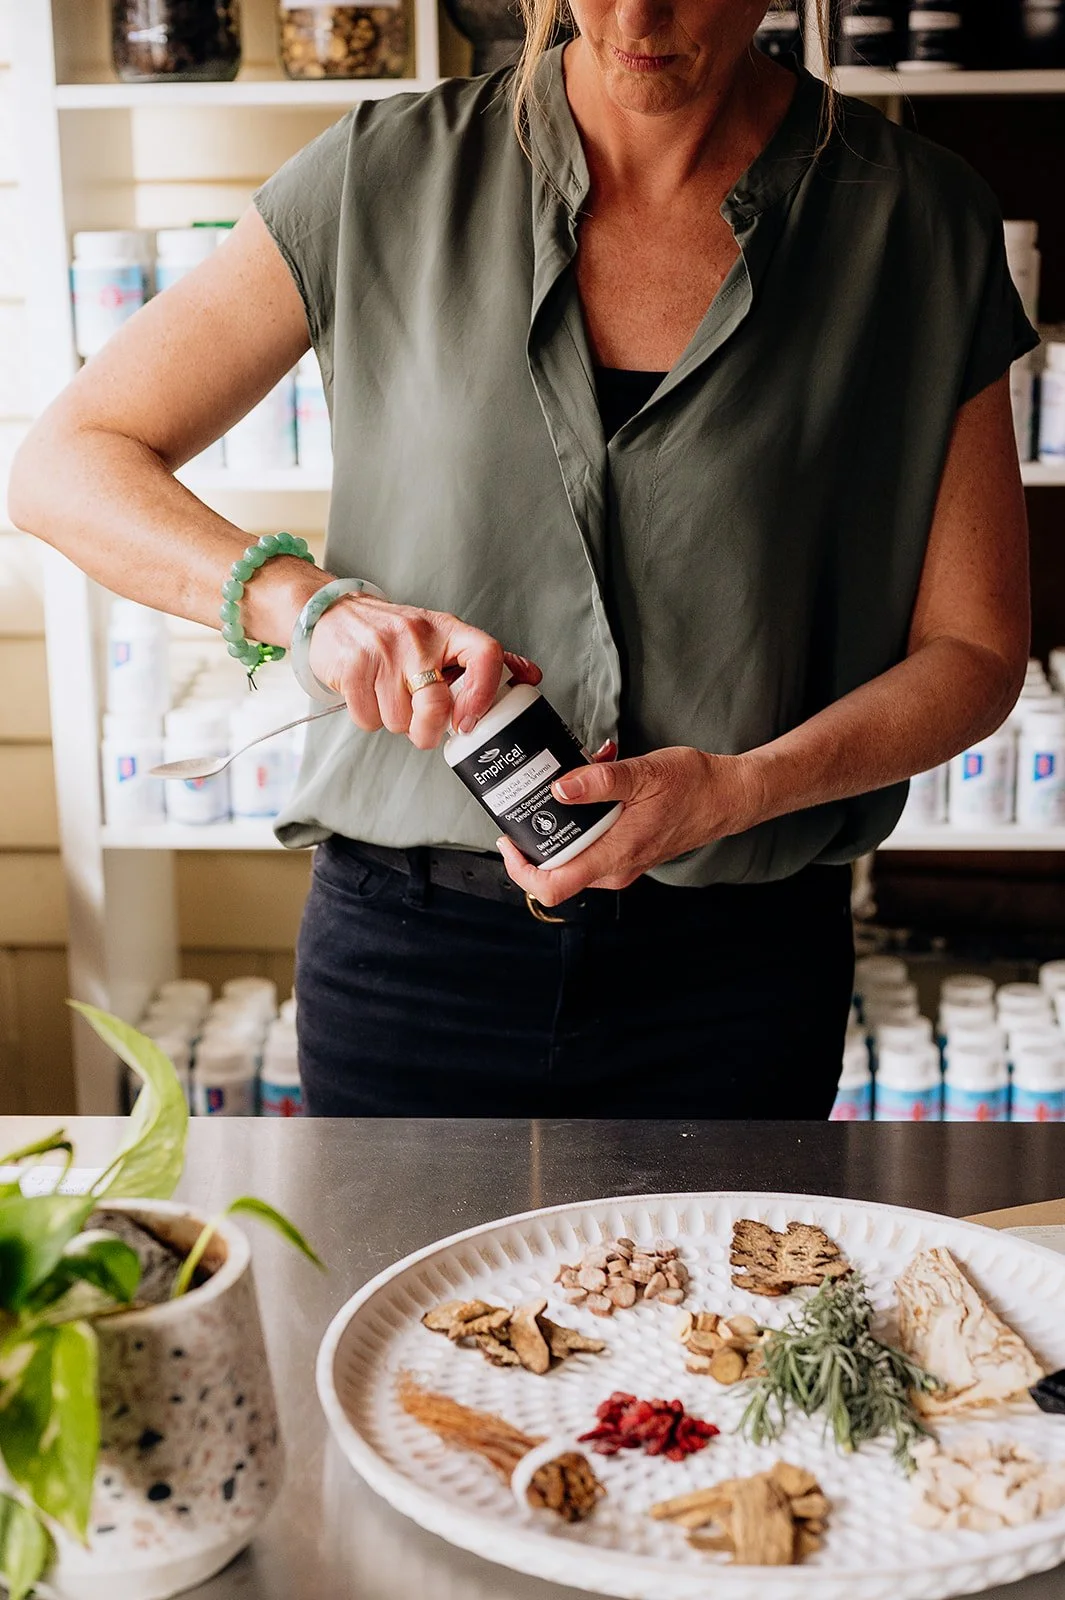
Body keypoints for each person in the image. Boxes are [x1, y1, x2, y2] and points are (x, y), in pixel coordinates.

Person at [11, 0, 1034, 1119]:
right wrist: (310, 606)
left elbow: (975, 648)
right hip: (410, 961)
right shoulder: (380, 175)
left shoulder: (916, 223)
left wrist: (742, 790)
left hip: (739, 974)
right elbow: (66, 462)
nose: (636, 15)